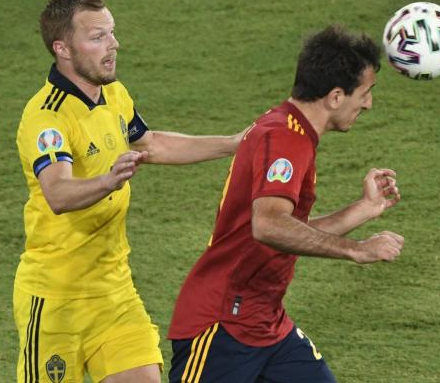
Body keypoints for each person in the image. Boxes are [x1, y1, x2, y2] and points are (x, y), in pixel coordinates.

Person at [14, 0, 242, 383]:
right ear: (62, 49)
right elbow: (58, 193)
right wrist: (109, 180)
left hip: (114, 294)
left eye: (112, 33)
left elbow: (151, 143)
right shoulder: (46, 117)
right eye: (98, 37)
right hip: (55, 302)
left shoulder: (113, 95)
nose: (113, 45)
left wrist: (235, 143)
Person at [167, 25, 405, 382]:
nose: (369, 103)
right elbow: (269, 226)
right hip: (222, 326)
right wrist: (356, 250)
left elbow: (289, 231)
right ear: (336, 96)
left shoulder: (291, 131)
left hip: (266, 324)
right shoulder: (284, 139)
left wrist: (364, 209)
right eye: (366, 93)